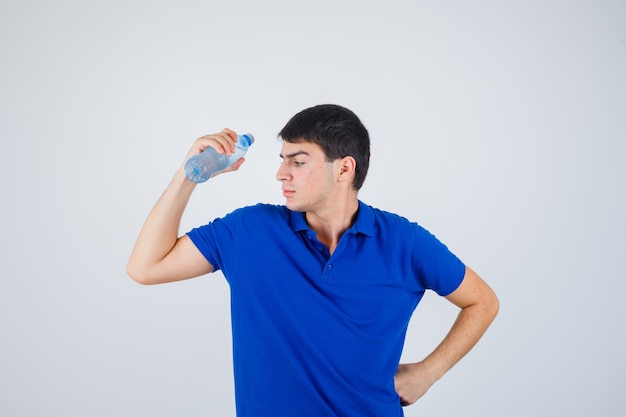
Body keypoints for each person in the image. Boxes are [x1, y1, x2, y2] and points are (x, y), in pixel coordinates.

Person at [126, 104, 499, 417]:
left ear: (344, 169)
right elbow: (146, 267)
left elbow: (482, 301)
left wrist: (429, 372)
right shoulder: (250, 231)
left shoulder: (405, 242)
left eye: (299, 161)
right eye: (283, 159)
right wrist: (187, 174)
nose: (281, 173)